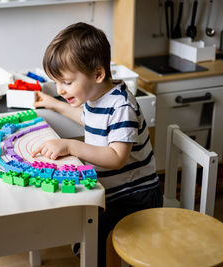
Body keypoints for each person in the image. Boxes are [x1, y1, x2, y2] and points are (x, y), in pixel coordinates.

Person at [32, 22, 163, 267]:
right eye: (57, 83)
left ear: (98, 74)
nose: (61, 90)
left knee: (93, 233)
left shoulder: (122, 106)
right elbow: (87, 118)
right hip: (114, 189)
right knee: (80, 222)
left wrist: (70, 146)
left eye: (67, 83)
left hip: (136, 195)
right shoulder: (97, 96)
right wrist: (54, 104)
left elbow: (116, 158)